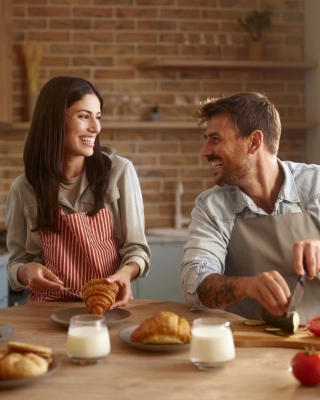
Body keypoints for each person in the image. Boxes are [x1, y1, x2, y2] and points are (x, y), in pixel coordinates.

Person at [6, 76, 150, 308]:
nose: (96, 127)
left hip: (108, 306)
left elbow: (137, 250)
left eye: (98, 116)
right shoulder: (23, 188)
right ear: (53, 120)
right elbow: (16, 262)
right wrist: (25, 271)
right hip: (48, 310)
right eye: (84, 116)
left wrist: (126, 273)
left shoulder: (120, 172)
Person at [180, 92, 320, 323]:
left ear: (254, 141)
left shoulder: (315, 185)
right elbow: (194, 283)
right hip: (249, 344)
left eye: (215, 139)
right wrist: (248, 285)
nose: (204, 151)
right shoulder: (211, 207)